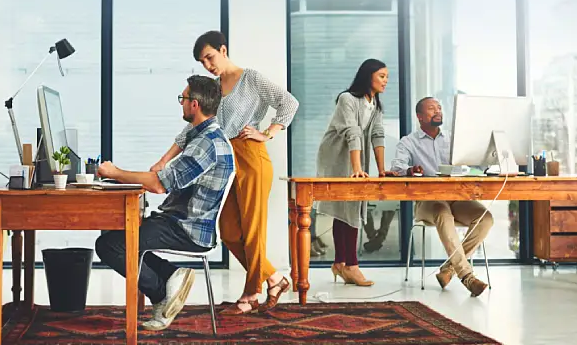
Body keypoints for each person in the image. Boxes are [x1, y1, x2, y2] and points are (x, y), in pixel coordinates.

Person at [151, 31, 298, 315]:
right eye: (202, 61)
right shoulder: (214, 89)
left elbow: (289, 103)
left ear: (223, 49)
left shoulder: (251, 78)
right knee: (229, 231)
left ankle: (252, 293)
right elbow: (192, 128)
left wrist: (268, 133)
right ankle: (275, 279)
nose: (207, 64)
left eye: (210, 56)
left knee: (253, 230)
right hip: (224, 161)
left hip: (251, 156)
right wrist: (163, 161)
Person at [95, 75, 235, 331]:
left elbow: (160, 184)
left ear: (195, 104)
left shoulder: (207, 144)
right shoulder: (205, 134)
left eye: (183, 98)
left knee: (109, 245)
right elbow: (164, 176)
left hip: (187, 229)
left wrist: (115, 173)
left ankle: (163, 292)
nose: (180, 103)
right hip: (181, 221)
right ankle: (172, 278)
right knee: (120, 238)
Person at [389, 97, 492, 297]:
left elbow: (475, 163)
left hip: (457, 198)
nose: (437, 111)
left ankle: (448, 270)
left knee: (485, 218)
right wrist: (410, 169)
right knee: (442, 212)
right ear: (419, 116)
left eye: (439, 107)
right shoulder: (408, 142)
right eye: (431, 108)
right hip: (427, 202)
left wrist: (491, 162)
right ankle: (467, 277)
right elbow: (396, 168)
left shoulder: (454, 139)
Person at [315, 59, 389, 287]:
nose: (386, 81)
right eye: (382, 76)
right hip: (337, 154)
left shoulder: (375, 103)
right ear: (369, 77)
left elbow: (377, 134)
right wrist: (357, 169)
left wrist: (382, 170)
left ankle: (341, 263)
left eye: (387, 77)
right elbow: (352, 132)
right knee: (345, 207)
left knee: (351, 207)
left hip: (356, 155)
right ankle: (351, 266)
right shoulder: (347, 99)